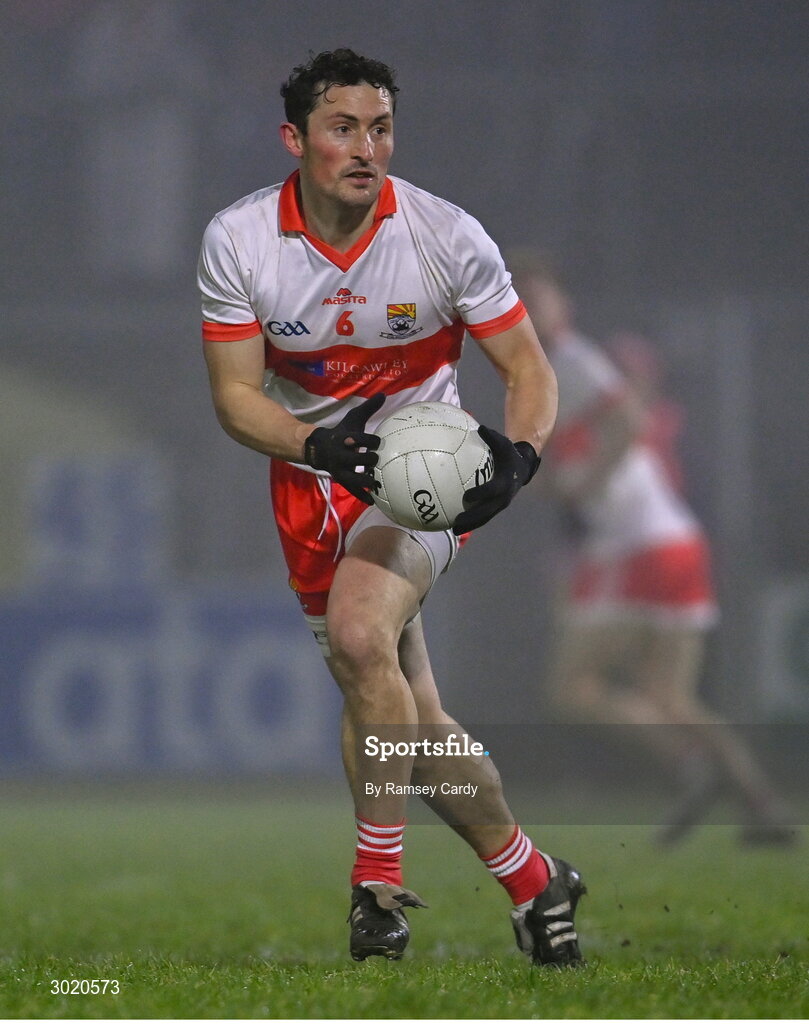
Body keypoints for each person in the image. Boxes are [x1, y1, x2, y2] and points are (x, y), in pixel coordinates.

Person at [197, 49, 585, 965]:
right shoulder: (241, 239)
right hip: (310, 483)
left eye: (379, 127)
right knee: (408, 712)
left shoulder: (445, 234)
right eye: (342, 128)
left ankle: (376, 894)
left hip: (422, 473)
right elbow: (234, 398)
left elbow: (527, 368)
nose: (365, 147)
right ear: (294, 140)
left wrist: (519, 459)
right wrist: (317, 446)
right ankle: (535, 880)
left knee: (365, 637)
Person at [509, 251, 797, 846]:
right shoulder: (546, 373)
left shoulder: (569, 360)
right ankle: (761, 806)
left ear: (563, 306)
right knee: (669, 694)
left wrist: (578, 487)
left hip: (638, 548)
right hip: (669, 540)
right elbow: (559, 467)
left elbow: (628, 422)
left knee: (572, 689)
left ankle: (691, 770)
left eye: (537, 298)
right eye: (518, 300)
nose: (527, 311)